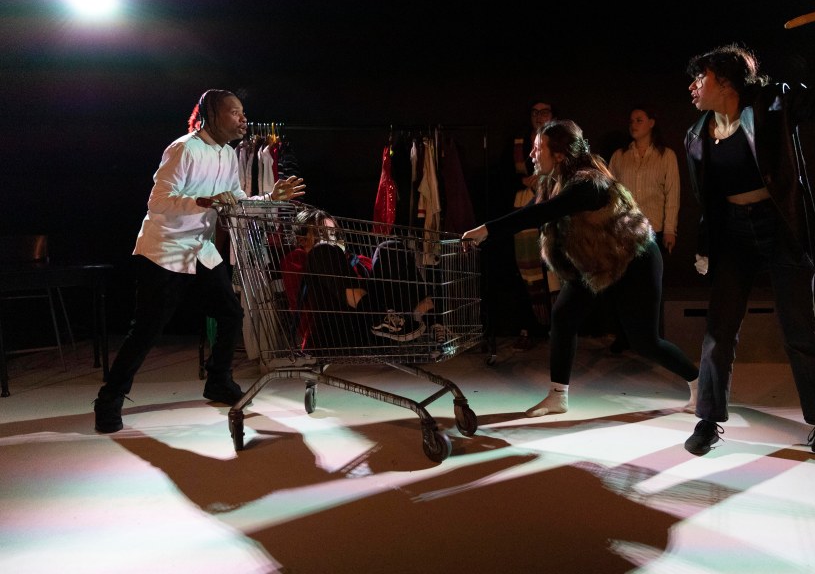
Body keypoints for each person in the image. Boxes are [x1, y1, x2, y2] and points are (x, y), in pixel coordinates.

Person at [681, 0, 815, 456]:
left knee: (800, 332)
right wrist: (705, 247)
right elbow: (707, 204)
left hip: (780, 227)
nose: (693, 86)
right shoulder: (696, 137)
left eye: (700, 77)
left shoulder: (775, 102)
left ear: (725, 80)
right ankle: (708, 420)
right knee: (718, 332)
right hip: (733, 236)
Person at [93, 89, 306, 433]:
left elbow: (235, 202)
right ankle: (108, 400)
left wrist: (269, 198)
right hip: (164, 249)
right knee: (146, 330)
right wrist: (204, 201)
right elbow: (158, 201)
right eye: (234, 112)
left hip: (200, 248)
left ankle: (218, 381)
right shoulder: (183, 149)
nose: (243, 119)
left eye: (243, 112)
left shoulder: (229, 154)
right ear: (212, 116)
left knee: (230, 313)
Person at [464, 119, 699, 416]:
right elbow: (528, 212)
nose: (532, 155)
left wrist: (485, 230)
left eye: (538, 149)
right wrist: (485, 233)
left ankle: (702, 386)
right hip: (595, 262)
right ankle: (557, 397)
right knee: (563, 316)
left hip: (634, 259)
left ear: (559, 154)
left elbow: (539, 214)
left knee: (645, 342)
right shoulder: (551, 181)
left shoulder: (589, 183)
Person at [282, 206, 435, 348]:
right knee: (321, 251)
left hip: (367, 327)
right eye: (321, 233)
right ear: (301, 239)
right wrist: (327, 257)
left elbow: (378, 284)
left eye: (333, 233)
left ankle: (431, 322)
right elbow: (304, 296)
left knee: (388, 247)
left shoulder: (352, 259)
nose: (330, 239)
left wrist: (346, 261)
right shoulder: (297, 259)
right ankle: (378, 318)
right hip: (332, 331)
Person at [608, 104, 681, 350]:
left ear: (651, 122)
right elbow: (610, 193)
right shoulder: (619, 156)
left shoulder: (666, 156)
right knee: (623, 286)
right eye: (631, 120)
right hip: (624, 231)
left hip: (652, 231)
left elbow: (672, 194)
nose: (634, 124)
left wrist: (670, 229)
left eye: (639, 119)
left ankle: (650, 338)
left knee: (649, 287)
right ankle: (623, 336)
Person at [509, 100, 557, 351]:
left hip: (551, 206)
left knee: (552, 269)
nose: (539, 116)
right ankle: (527, 327)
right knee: (526, 270)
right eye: (535, 112)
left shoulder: (560, 141)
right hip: (525, 206)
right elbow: (508, 172)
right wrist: (524, 180)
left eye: (544, 112)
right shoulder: (519, 142)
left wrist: (544, 181)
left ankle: (555, 328)